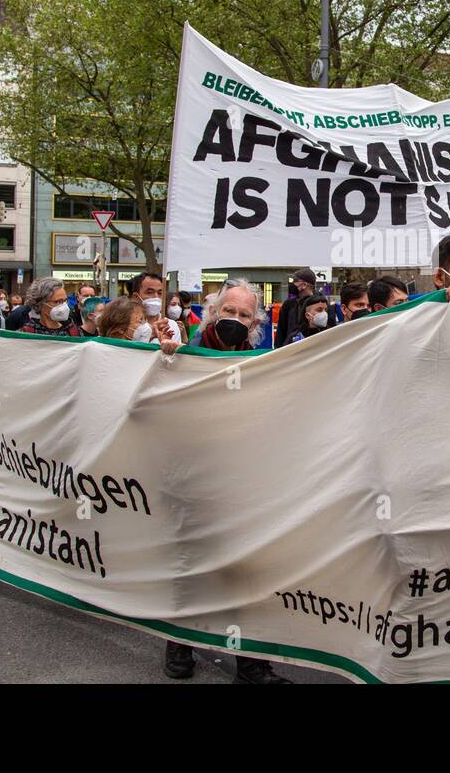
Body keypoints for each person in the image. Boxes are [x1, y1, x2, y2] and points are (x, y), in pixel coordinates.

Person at [159, 279, 288, 683]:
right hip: (194, 479)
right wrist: (167, 358)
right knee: (194, 565)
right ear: (212, 313)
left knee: (245, 569)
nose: (235, 319)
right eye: (228, 311)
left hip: (242, 480)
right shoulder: (188, 352)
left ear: (254, 324)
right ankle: (178, 644)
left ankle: (251, 664)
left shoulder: (257, 361)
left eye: (244, 315)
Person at [18, 277, 89, 337]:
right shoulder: (26, 334)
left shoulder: (75, 333)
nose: (64, 306)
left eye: (65, 301)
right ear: (41, 304)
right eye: (58, 302)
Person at [275, 268, 318, 346]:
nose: (292, 284)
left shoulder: (320, 303)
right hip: (290, 350)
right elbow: (281, 333)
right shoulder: (288, 304)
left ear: (304, 285)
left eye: (295, 281)